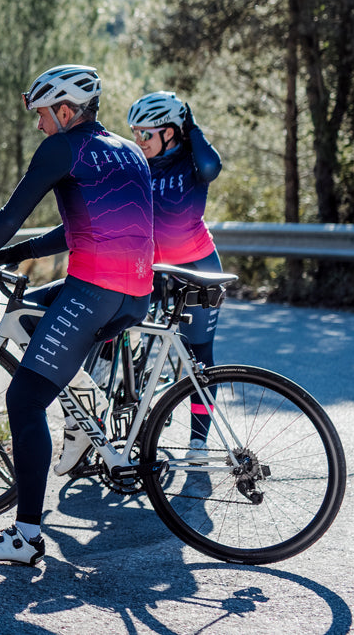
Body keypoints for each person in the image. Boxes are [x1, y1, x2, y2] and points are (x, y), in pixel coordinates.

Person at [0, 64, 154, 564]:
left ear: (66, 111)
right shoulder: (129, 151)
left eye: (43, 114)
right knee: (35, 311)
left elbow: (9, 214)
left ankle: (25, 537)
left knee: (25, 399)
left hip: (93, 292)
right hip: (135, 293)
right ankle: (81, 412)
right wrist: (10, 255)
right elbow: (84, 228)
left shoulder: (62, 148)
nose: (39, 124)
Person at [127, 90, 225, 455]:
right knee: (121, 333)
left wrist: (192, 126)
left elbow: (213, 167)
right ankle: (127, 407)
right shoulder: (140, 162)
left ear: (170, 132)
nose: (139, 141)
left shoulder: (192, 162)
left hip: (196, 266)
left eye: (146, 134)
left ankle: (198, 439)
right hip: (149, 267)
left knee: (199, 357)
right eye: (136, 133)